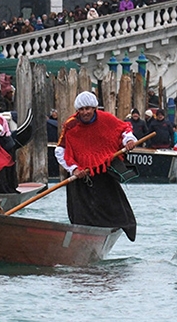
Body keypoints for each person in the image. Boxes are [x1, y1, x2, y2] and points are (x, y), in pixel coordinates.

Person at [54, 91, 139, 241]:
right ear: (77, 111)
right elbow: (60, 150)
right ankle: (83, 239)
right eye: (81, 109)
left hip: (103, 170)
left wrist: (128, 141)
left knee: (115, 207)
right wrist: (74, 169)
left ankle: (113, 231)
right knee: (80, 212)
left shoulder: (106, 119)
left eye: (88, 108)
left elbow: (124, 130)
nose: (85, 112)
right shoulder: (71, 125)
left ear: (94, 108)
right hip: (81, 174)